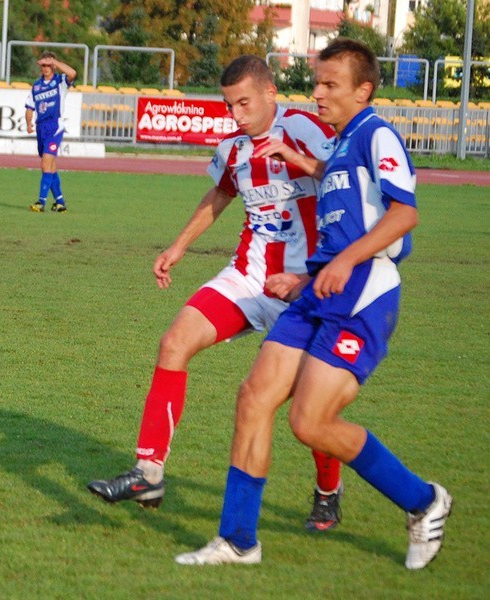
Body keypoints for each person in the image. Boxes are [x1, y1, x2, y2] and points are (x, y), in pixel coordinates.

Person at [175, 39, 452, 570]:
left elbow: (403, 214)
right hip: (318, 289)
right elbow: (346, 201)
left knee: (310, 423)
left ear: (363, 91)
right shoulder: (344, 144)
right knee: (254, 396)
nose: (317, 92)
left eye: (330, 84)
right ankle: (237, 540)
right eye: (317, 81)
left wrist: (345, 262)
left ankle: (424, 501)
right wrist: (308, 268)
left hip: (364, 293)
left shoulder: (376, 134)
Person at [88, 55, 346, 532]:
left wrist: (297, 160)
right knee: (174, 342)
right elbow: (220, 196)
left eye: (244, 103)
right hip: (248, 276)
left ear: (271, 94)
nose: (236, 115)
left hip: (305, 285)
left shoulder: (307, 129)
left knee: (312, 399)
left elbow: (346, 179)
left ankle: (328, 490)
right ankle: (148, 472)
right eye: (229, 106)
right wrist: (177, 247)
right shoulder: (233, 149)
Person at [26, 51, 77, 213]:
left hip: (55, 127)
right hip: (41, 128)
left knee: (45, 163)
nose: (46, 68)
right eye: (43, 65)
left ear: (53, 66)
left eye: (49, 65)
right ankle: (60, 202)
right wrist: (29, 123)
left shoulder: (60, 81)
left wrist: (56, 62)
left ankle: (41, 202)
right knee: (51, 167)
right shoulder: (36, 86)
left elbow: (72, 73)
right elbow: (29, 107)